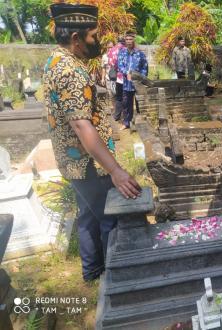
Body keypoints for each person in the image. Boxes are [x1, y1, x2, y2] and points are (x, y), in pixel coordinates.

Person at [43, 3, 142, 282]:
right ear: (76, 39)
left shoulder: (56, 60)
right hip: (88, 164)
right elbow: (80, 123)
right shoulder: (70, 71)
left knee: (87, 214)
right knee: (111, 217)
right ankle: (117, 279)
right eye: (93, 35)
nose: (97, 41)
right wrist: (115, 170)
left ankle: (92, 271)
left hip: (73, 161)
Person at [117, 31, 148, 130]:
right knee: (126, 104)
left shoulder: (140, 53)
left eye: (130, 39)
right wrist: (127, 73)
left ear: (134, 40)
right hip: (127, 84)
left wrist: (141, 77)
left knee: (140, 103)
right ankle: (126, 123)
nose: (129, 41)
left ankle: (141, 123)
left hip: (138, 84)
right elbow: (120, 65)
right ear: (125, 41)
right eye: (127, 39)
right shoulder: (122, 52)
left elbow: (145, 66)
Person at [107, 36, 126, 122]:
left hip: (117, 77)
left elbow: (110, 63)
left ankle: (117, 116)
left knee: (118, 97)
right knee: (126, 96)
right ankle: (126, 117)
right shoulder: (125, 49)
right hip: (126, 76)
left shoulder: (112, 50)